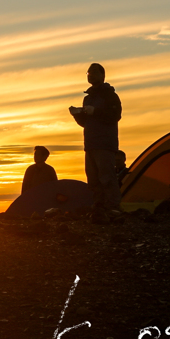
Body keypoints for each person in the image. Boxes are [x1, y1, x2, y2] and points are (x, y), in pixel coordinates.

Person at [69, 63, 122, 222]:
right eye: (88, 73)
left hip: (105, 143)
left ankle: (113, 207)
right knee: (93, 179)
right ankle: (99, 206)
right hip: (90, 143)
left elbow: (115, 116)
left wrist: (95, 111)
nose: (90, 75)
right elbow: (86, 123)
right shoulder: (88, 98)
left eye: (93, 72)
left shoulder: (109, 95)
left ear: (102, 75)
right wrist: (77, 115)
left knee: (106, 176)